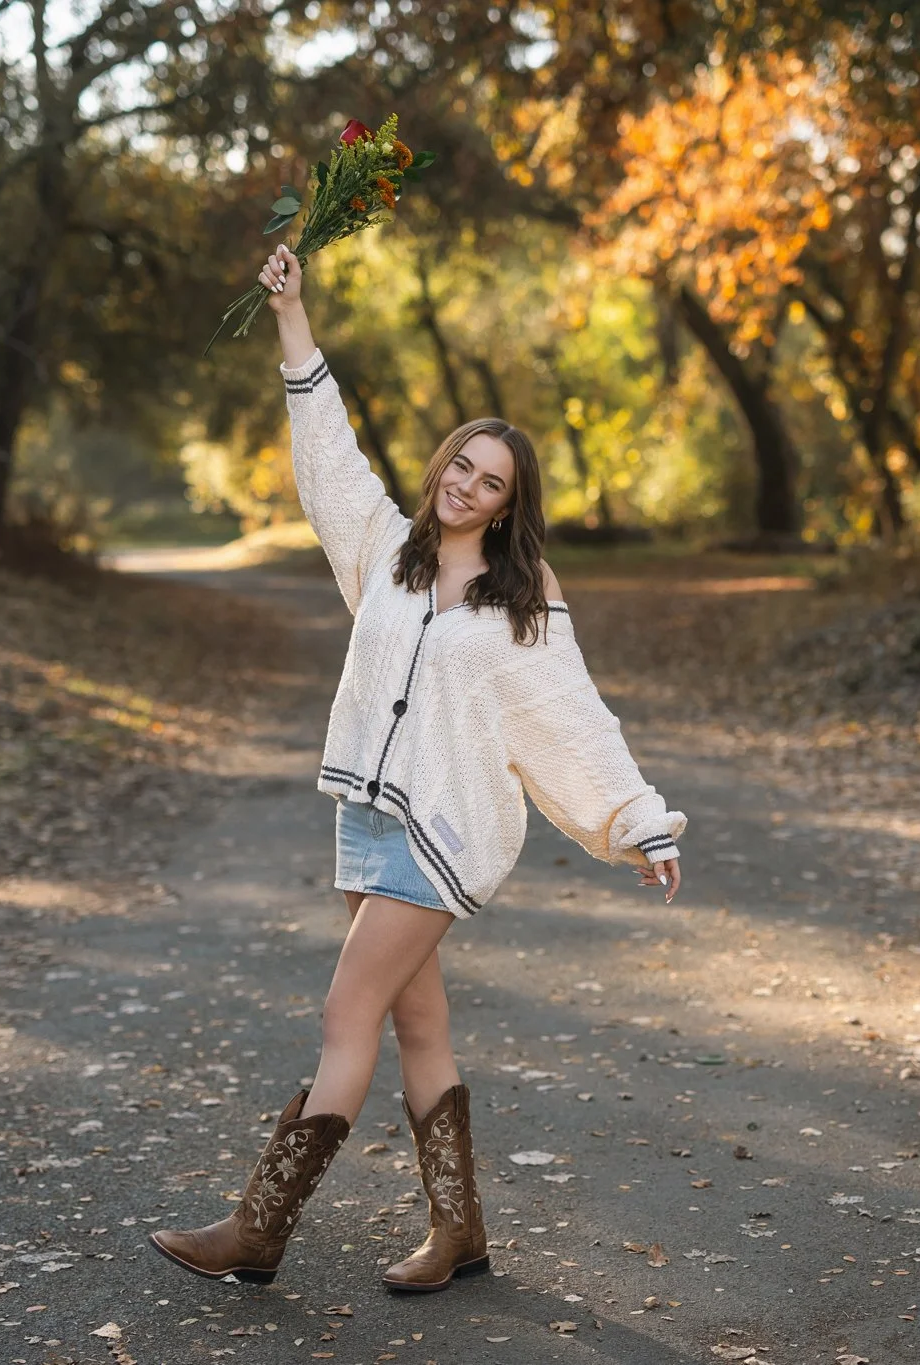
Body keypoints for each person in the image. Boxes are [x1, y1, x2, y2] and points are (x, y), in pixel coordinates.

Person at [150, 243, 686, 1293]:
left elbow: (569, 715)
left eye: (490, 482)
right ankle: (461, 1234)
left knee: (344, 1018)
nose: (466, 487)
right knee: (418, 1025)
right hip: (365, 815)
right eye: (460, 466)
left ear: (507, 503)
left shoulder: (520, 598)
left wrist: (636, 820)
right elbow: (329, 454)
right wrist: (292, 316)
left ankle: (256, 1230)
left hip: (439, 833)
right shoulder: (386, 553)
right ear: (442, 465)